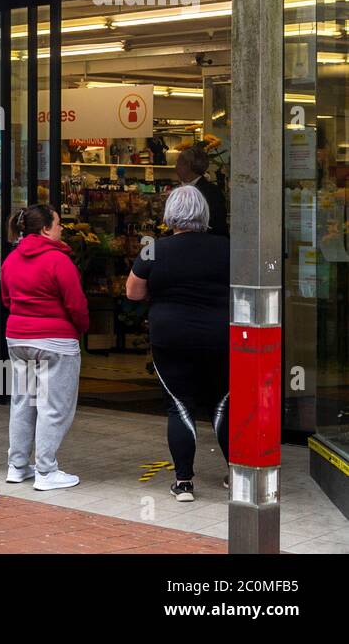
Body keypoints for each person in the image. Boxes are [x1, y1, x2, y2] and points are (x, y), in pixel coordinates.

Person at [125, 184, 230, 502]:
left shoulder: (153, 249)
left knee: (179, 405)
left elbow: (133, 291)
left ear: (171, 214)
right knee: (224, 404)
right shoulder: (226, 247)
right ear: (204, 213)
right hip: (219, 336)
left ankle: (183, 482)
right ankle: (239, 477)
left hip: (171, 336)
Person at [0, 203, 89, 491]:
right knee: (54, 406)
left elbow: (6, 300)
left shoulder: (11, 260)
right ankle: (46, 471)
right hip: (56, 341)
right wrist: (80, 329)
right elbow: (76, 304)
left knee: (24, 402)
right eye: (59, 223)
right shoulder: (59, 261)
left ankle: (17, 466)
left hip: (18, 339)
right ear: (46, 229)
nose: (62, 228)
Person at [175, 144, 227, 237]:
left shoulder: (212, 192)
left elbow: (216, 226)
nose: (176, 167)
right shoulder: (179, 188)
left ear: (188, 165)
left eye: (178, 163)